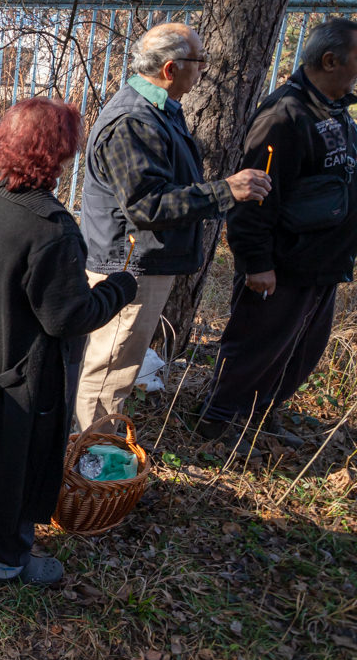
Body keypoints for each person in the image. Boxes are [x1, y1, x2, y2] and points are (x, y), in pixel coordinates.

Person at [0, 97, 137, 585]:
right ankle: (10, 559)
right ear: (55, 157)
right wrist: (119, 287)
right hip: (23, 379)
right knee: (17, 464)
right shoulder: (52, 229)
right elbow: (67, 318)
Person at [74, 22, 271, 430]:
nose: (203, 70)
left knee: (119, 367)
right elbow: (147, 205)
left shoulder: (158, 110)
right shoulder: (134, 120)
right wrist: (225, 191)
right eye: (199, 62)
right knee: (110, 371)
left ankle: (90, 456)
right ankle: (86, 466)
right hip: (127, 265)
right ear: (170, 68)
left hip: (140, 260)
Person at [198, 18, 357, 447]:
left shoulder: (335, 112)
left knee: (301, 351)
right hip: (283, 263)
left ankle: (260, 417)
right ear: (330, 60)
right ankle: (214, 426)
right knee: (254, 348)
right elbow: (253, 198)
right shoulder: (283, 116)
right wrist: (257, 263)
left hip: (320, 263)